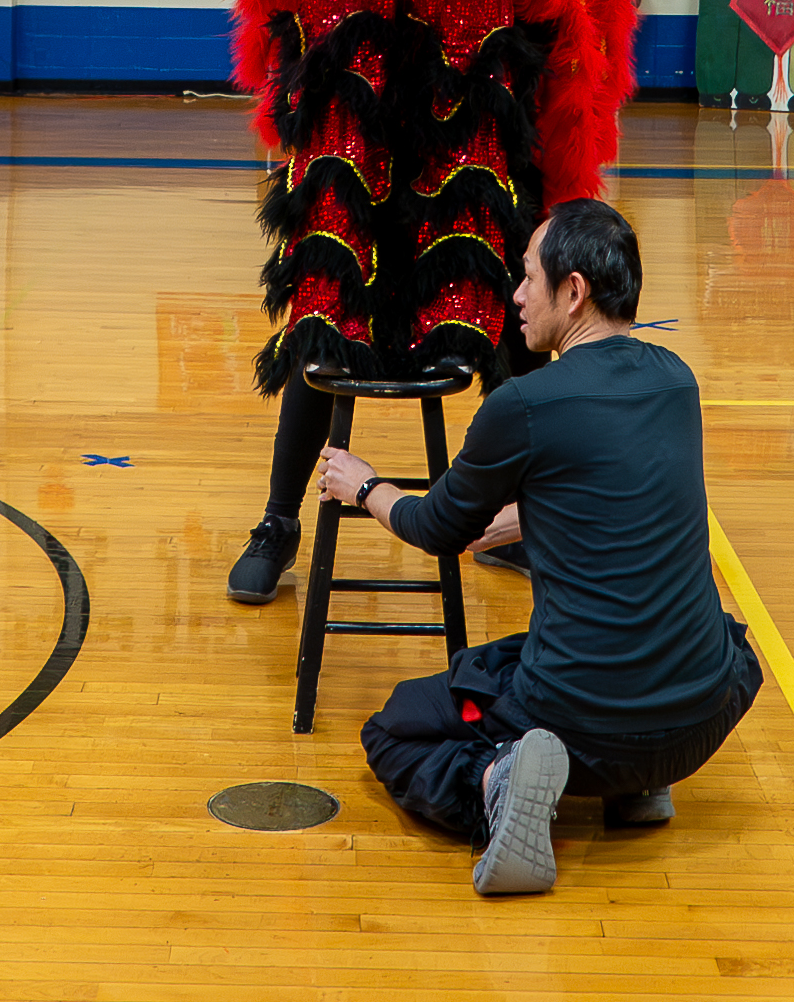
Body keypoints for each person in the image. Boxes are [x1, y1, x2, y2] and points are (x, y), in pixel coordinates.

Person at [317, 198, 763, 897]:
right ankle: (641, 783)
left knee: (395, 727)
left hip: (581, 725)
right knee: (727, 639)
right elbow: (624, 489)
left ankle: (495, 783)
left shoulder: (523, 404)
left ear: (574, 289)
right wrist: (532, 511)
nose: (516, 296)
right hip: (700, 718)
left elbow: (437, 527)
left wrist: (364, 483)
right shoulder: (677, 380)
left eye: (527, 277)